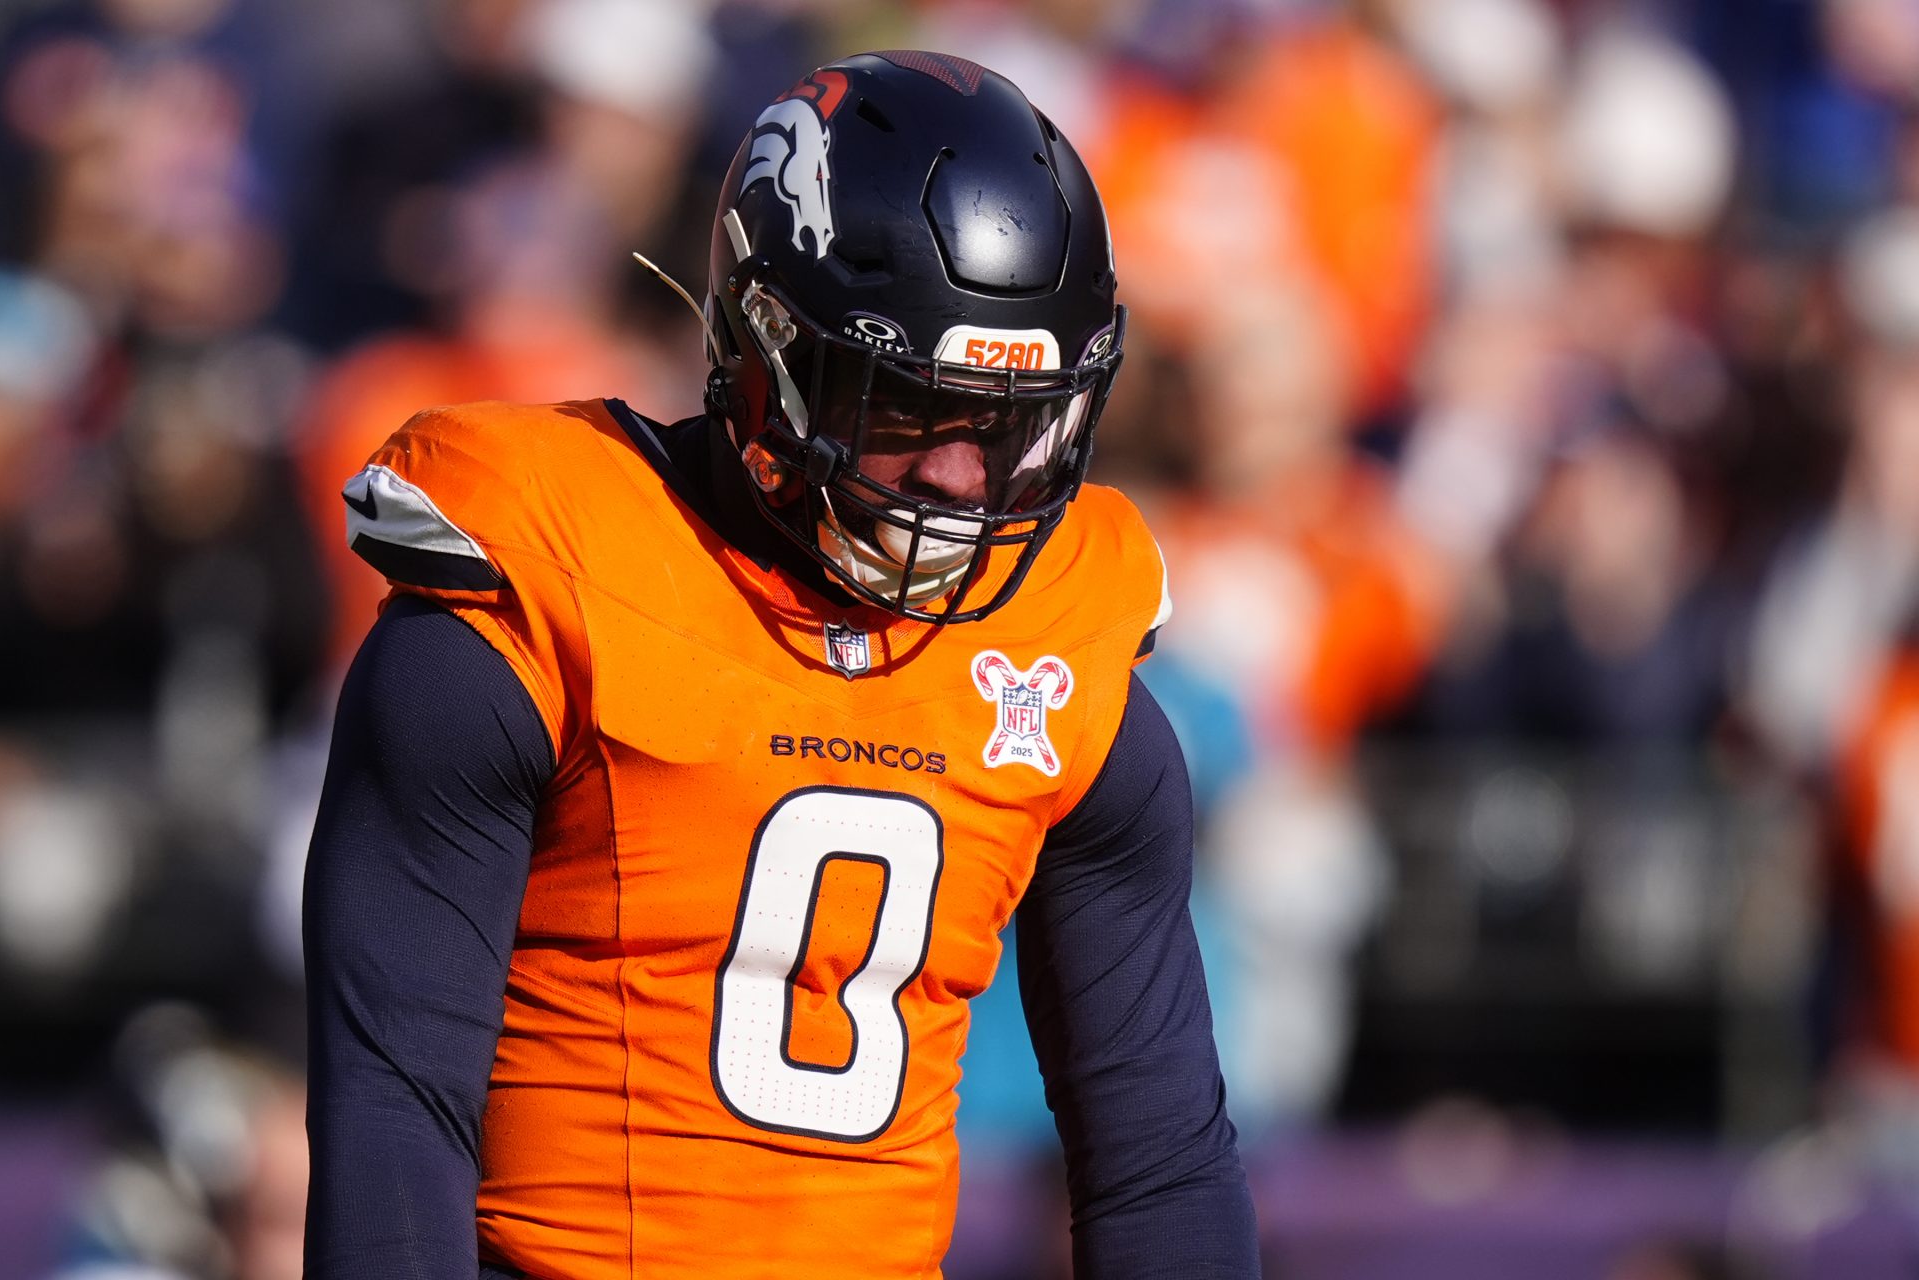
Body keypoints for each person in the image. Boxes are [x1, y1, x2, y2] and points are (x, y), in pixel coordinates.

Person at [302, 51, 1258, 1279]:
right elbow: (395, 1105)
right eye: (906, 409)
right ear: (766, 347)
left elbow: (1160, 1157)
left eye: (1009, 423)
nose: (960, 480)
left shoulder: (1064, 645)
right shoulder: (543, 578)